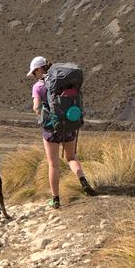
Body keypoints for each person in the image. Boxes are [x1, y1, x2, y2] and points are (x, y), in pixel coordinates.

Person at [27, 55, 98, 209]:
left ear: (39, 69)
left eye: (34, 72)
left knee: (53, 165)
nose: (34, 75)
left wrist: (43, 115)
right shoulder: (64, 82)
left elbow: (36, 108)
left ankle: (56, 199)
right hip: (69, 124)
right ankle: (84, 182)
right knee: (71, 157)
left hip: (51, 129)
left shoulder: (38, 86)